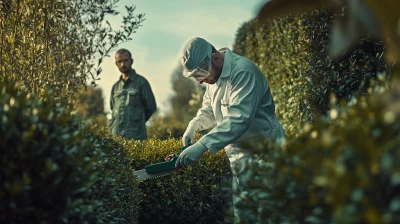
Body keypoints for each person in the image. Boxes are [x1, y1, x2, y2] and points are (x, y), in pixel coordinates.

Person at [175, 37, 286, 223]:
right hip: (240, 160)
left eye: (201, 73)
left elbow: (239, 119)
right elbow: (209, 109)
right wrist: (195, 125)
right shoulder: (213, 79)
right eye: (196, 77)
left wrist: (203, 145)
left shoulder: (243, 72)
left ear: (215, 58)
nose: (201, 81)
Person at [109, 48, 157, 140]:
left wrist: (137, 120)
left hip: (135, 137)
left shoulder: (141, 83)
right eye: (120, 61)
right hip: (116, 138)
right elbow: (112, 108)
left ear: (131, 61)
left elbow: (151, 107)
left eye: (126, 60)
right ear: (116, 63)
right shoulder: (115, 87)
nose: (123, 64)